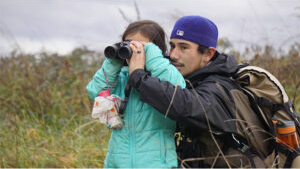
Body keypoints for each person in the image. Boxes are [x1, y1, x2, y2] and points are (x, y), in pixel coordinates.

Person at [126, 15, 270, 167]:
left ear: (208, 54)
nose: (173, 55)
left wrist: (139, 77)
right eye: (172, 46)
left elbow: (187, 107)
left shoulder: (220, 87)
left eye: (184, 47)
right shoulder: (188, 80)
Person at [86, 20, 186, 168]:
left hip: (157, 164)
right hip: (117, 163)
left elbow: (178, 89)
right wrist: (113, 62)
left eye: (139, 46)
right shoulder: (121, 78)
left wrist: (153, 59)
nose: (132, 50)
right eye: (128, 44)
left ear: (156, 50)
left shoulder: (164, 76)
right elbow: (95, 91)